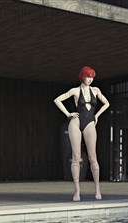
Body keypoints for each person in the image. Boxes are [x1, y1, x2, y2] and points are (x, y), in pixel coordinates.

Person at [53, 66, 110, 201]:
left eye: (92, 77)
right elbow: (57, 100)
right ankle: (77, 191)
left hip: (90, 122)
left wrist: (97, 116)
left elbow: (107, 103)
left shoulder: (96, 90)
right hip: (76, 122)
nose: (90, 79)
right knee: (76, 157)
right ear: (82, 76)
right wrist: (68, 114)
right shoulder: (75, 90)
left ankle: (97, 189)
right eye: (87, 76)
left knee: (93, 157)